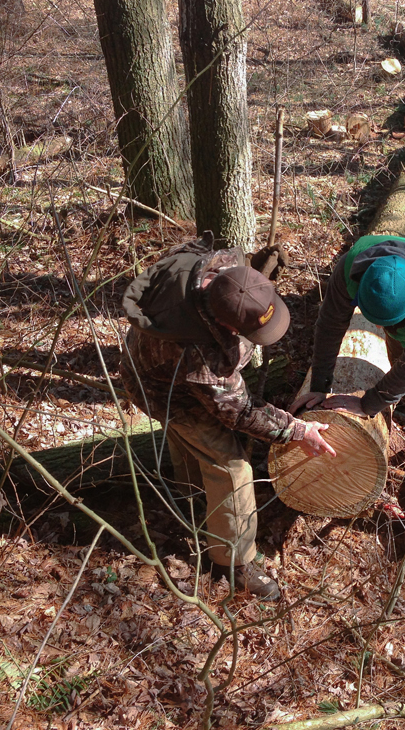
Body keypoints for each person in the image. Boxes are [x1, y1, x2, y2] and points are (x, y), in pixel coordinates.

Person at [120, 232, 334, 600]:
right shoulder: (203, 357)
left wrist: (257, 277)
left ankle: (192, 499)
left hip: (153, 367)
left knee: (190, 443)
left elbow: (240, 281)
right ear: (228, 327)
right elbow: (240, 412)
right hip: (160, 388)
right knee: (231, 465)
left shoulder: (221, 265)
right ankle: (234, 562)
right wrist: (298, 430)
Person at [291, 235, 405, 559]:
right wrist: (319, 385)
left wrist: (369, 403)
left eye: (394, 321)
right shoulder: (350, 268)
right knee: (404, 383)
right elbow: (330, 324)